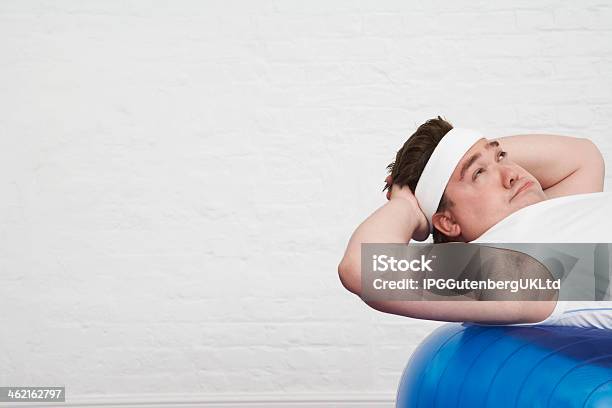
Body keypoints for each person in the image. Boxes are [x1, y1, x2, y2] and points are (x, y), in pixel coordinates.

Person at [338, 116, 611, 327]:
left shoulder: (554, 217)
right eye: (479, 173)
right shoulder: (518, 265)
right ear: (447, 222)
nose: (511, 173)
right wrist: (406, 206)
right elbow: (363, 268)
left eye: (501, 156)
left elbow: (583, 156)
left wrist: (467, 151)